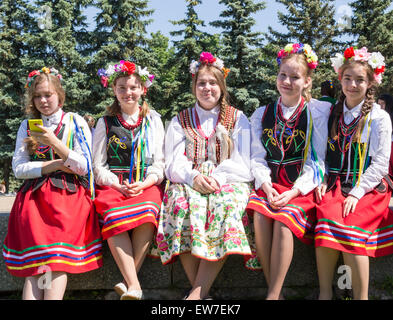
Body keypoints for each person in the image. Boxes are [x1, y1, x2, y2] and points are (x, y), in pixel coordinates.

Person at [155, 52, 260, 300]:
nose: (207, 88)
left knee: (225, 205)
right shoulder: (181, 120)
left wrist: (219, 178)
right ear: (194, 86)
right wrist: (192, 178)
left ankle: (196, 295)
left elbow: (244, 162)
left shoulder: (238, 118)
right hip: (189, 178)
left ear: (221, 86)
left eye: (212, 83)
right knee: (181, 204)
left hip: (229, 178)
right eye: (201, 83)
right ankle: (201, 294)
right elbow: (173, 160)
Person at [2, 67, 102, 300]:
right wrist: (53, 165)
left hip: (67, 198)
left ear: (60, 95)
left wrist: (54, 142)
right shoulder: (27, 126)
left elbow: (84, 166)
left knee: (56, 262)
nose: (43, 100)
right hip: (34, 200)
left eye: (48, 94)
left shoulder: (74, 121)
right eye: (38, 96)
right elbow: (19, 168)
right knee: (36, 267)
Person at [246, 43, 330, 300]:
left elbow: (318, 160)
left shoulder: (316, 112)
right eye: (283, 75)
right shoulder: (263, 113)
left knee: (283, 222)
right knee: (260, 217)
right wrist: (265, 183)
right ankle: (276, 293)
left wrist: (295, 191)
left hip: (299, 187)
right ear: (276, 77)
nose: (287, 81)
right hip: (270, 183)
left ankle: (272, 295)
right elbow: (256, 155)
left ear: (307, 81)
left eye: (295, 77)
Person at [315, 47, 393, 300]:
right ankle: (325, 293)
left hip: (368, 187)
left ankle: (361, 297)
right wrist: (321, 179)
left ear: (371, 82)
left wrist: (358, 192)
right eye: (347, 78)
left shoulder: (379, 118)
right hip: (337, 183)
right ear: (340, 79)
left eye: (360, 79)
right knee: (325, 216)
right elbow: (322, 154)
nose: (353, 84)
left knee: (351, 226)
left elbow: (380, 163)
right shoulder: (333, 114)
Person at [93, 60, 165, 300]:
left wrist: (145, 183)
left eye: (133, 87)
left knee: (148, 212)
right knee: (111, 216)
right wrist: (116, 183)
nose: (128, 93)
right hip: (114, 185)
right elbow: (98, 166)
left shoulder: (153, 120)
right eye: (122, 87)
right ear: (113, 89)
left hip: (146, 184)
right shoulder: (105, 123)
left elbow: (160, 163)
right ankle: (135, 285)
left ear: (143, 89)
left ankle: (129, 284)